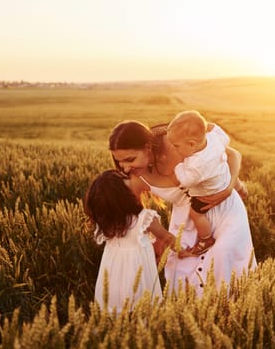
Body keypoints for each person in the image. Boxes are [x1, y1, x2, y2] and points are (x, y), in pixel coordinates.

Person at [108, 119, 256, 296]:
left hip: (224, 208)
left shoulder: (176, 141)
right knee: (183, 278)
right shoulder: (136, 178)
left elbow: (232, 155)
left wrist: (230, 187)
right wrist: (160, 238)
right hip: (185, 222)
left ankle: (232, 317)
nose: (124, 168)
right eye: (120, 162)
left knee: (225, 260)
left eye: (130, 159)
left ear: (148, 146)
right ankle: (195, 318)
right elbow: (138, 213)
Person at [84, 169, 176, 312]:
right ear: (125, 195)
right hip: (138, 275)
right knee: (142, 308)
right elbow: (167, 237)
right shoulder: (144, 218)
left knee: (114, 310)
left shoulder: (108, 224)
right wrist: (184, 250)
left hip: (112, 278)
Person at [166, 110, 230, 255]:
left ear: (192, 144)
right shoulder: (214, 138)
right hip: (223, 177)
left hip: (210, 192)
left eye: (176, 146)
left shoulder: (197, 165)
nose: (174, 149)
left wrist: (178, 167)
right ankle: (238, 186)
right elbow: (222, 135)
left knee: (195, 213)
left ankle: (206, 239)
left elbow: (186, 181)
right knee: (224, 169)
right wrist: (208, 126)